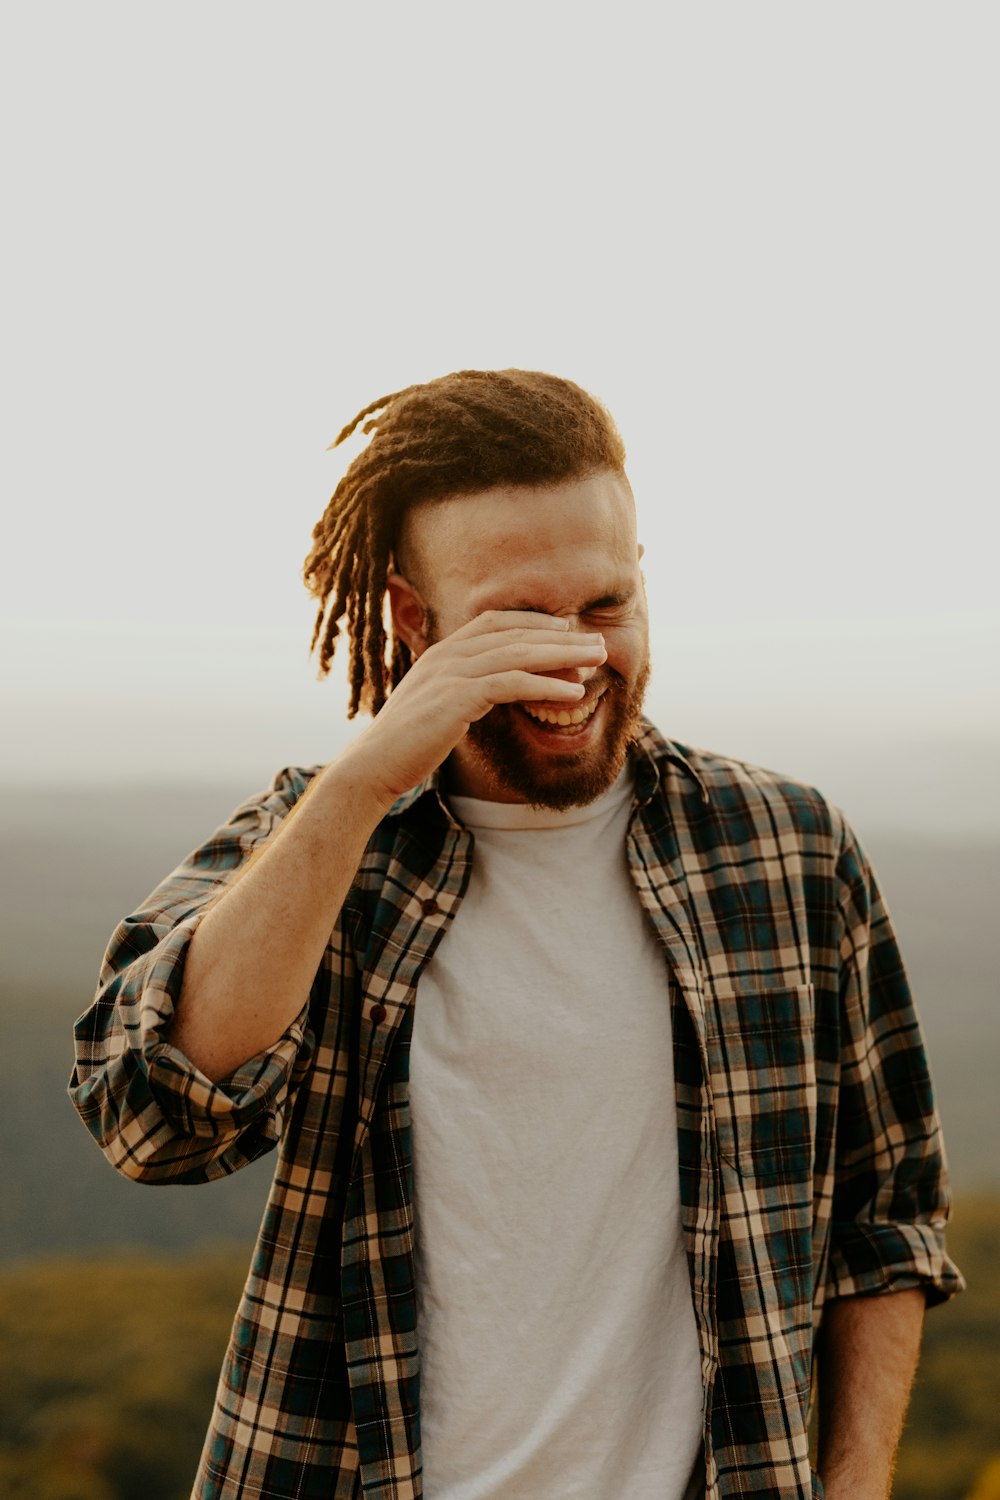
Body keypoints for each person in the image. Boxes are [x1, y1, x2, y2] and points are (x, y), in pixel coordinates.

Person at [70, 368, 964, 1500]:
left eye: (604, 607)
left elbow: (882, 1215)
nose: (575, 662)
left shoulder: (787, 850)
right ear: (411, 619)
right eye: (518, 622)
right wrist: (363, 785)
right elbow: (152, 1121)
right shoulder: (317, 841)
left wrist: (852, 1482)